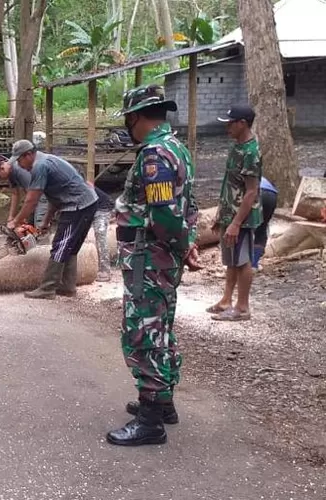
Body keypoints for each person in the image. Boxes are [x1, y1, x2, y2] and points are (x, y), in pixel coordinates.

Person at [107, 84, 199, 447]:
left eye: (128, 120)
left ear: (135, 118)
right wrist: (186, 246)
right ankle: (164, 403)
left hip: (150, 258)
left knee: (143, 333)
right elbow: (187, 207)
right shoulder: (178, 149)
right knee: (162, 327)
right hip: (163, 256)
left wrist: (178, 244)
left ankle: (150, 421)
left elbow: (163, 215)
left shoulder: (154, 156)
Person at [6, 140, 98, 299]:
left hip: (77, 206)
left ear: (28, 155)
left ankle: (48, 288)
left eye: (20, 160)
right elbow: (54, 197)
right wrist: (46, 221)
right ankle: (67, 287)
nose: (19, 165)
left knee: (60, 245)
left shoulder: (40, 166)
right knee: (70, 245)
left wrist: (16, 221)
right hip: (84, 204)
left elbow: (31, 200)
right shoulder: (44, 160)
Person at [207, 104, 262, 322]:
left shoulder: (251, 152)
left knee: (242, 260)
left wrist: (237, 223)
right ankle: (226, 300)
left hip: (243, 217)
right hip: (230, 213)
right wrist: (222, 215)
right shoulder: (237, 146)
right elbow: (229, 183)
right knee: (231, 259)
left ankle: (242, 307)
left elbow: (251, 192)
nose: (227, 127)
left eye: (231, 123)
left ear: (242, 123)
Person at [0, 157, 49, 227]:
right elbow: (15, 194)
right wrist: (11, 217)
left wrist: (18, 219)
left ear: (2, 169)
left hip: (45, 192)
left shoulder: (20, 170)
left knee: (40, 224)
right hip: (37, 194)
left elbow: (33, 198)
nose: (0, 180)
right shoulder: (10, 172)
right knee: (29, 222)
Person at [253, 176, 277, 269]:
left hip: (255, 192)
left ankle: (240, 263)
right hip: (271, 194)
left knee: (245, 228)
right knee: (262, 228)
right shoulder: (259, 175)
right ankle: (253, 263)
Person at [92, 186, 114, 282]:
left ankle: (105, 270)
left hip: (102, 208)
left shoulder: (83, 186)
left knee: (100, 234)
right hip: (90, 207)